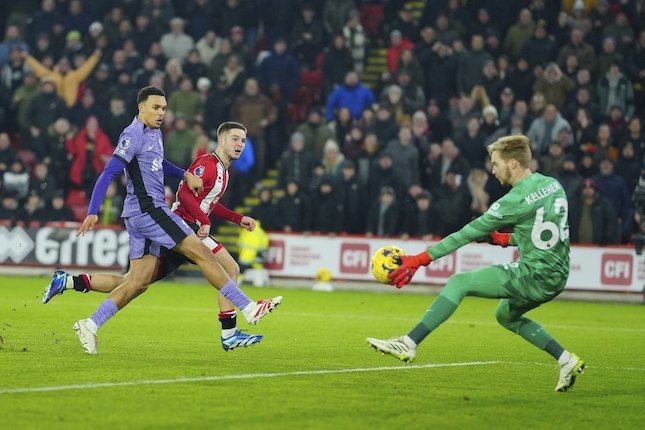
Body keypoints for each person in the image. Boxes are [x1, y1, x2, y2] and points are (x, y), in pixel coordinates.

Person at [52, 87, 282, 355]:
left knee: (136, 282)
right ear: (141, 107)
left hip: (142, 213)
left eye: (164, 108)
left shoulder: (155, 133)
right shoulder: (133, 135)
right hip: (150, 210)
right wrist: (94, 209)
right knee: (203, 254)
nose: (161, 113)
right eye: (155, 108)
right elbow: (109, 172)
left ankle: (88, 322)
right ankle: (248, 308)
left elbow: (157, 164)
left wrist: (184, 173)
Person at [367, 135, 585, 393]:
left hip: (534, 275)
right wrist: (503, 239)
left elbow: (464, 234)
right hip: (558, 274)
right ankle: (566, 360)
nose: (492, 170)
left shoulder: (513, 201)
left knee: (459, 282)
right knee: (505, 314)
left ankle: (409, 342)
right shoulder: (553, 185)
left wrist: (419, 260)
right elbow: (544, 236)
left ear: (513, 163)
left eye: (495, 163)